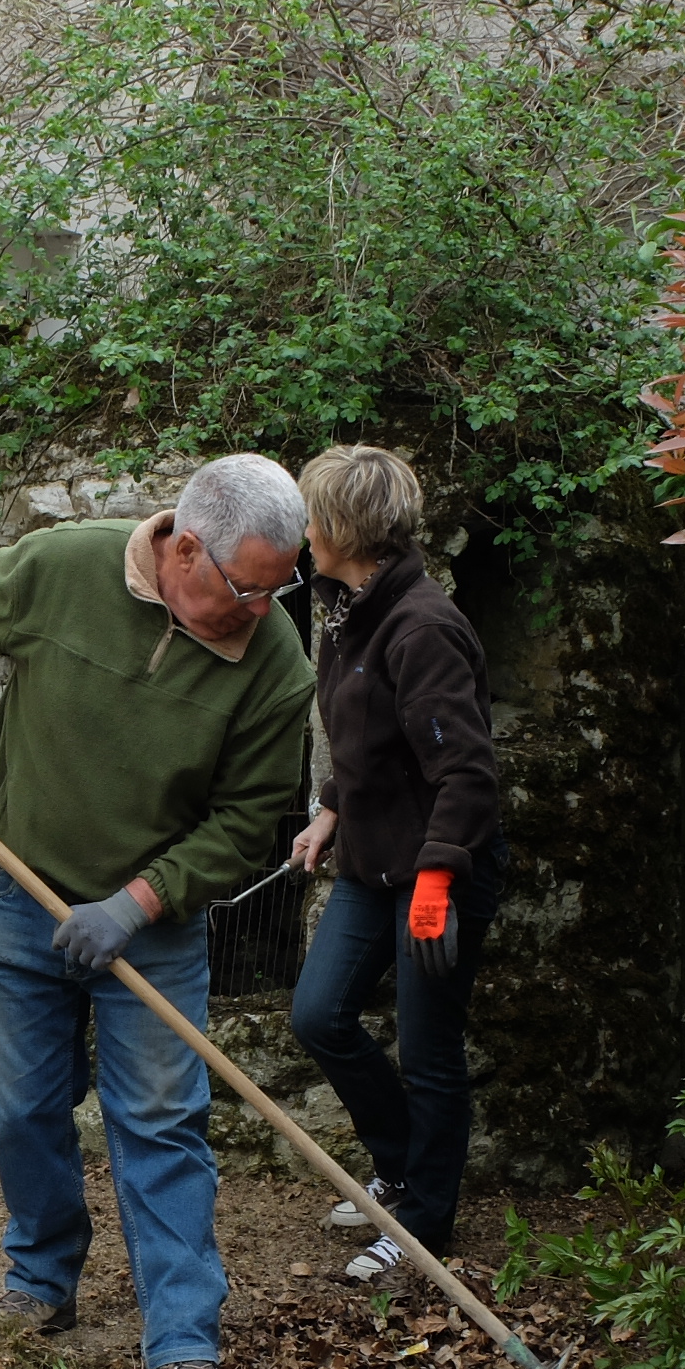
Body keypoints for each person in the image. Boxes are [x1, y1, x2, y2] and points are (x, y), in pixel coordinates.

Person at [0, 455, 315, 1369]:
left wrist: (139, 902)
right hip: (18, 899)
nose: (265, 610)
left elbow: (250, 820)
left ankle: (181, 1344)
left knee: (160, 1125)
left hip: (153, 930)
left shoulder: (275, 670)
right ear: (186, 549)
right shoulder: (67, 569)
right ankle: (41, 1278)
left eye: (281, 588)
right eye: (248, 587)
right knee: (19, 1107)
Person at [284, 445, 506, 1281]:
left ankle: (422, 1231)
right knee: (319, 1015)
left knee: (430, 1048)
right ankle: (401, 1166)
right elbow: (368, 737)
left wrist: (440, 883)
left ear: (344, 528)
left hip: (439, 872)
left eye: (313, 517)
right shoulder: (345, 608)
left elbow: (466, 774)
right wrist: (333, 812)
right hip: (376, 862)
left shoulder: (423, 628)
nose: (303, 532)